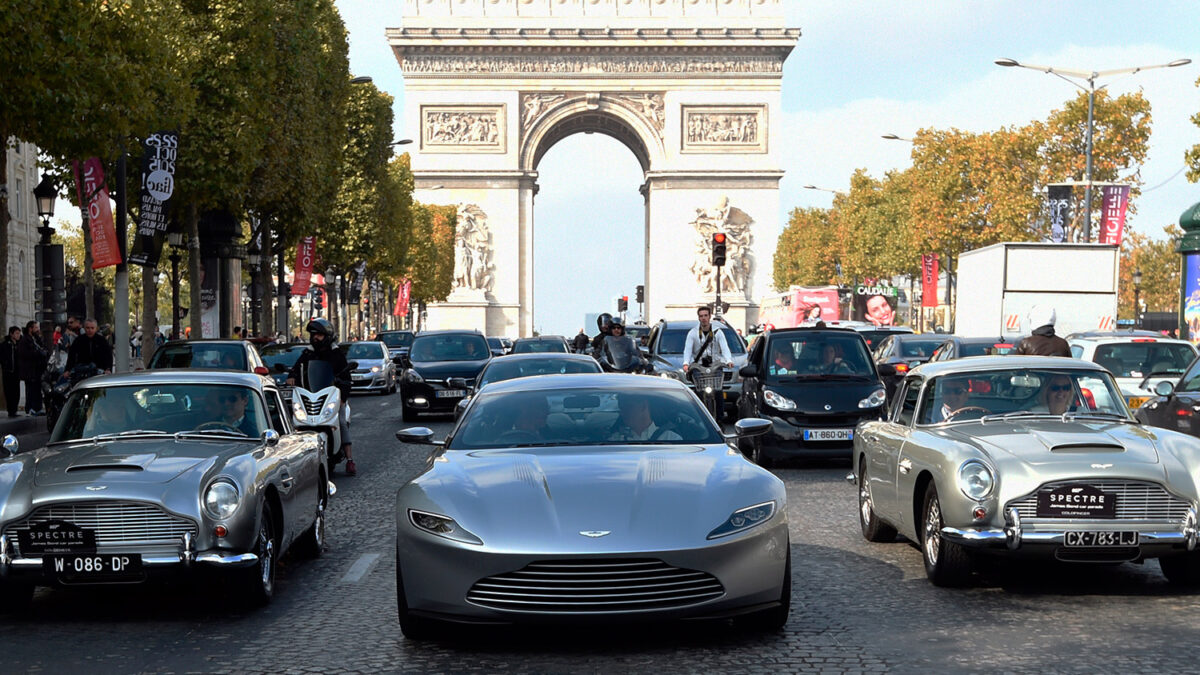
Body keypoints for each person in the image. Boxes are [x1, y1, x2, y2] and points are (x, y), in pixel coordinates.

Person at [287, 318, 357, 476]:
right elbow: (297, 368)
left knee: (341, 421)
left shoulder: (336, 353)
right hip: (311, 396)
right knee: (295, 422)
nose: (315, 338)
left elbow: (346, 377)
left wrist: (343, 398)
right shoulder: (308, 352)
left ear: (327, 336)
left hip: (332, 396)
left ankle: (350, 459)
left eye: (319, 335)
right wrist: (292, 376)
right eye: (313, 335)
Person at [609, 394, 681, 442]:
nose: (623, 413)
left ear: (644, 406)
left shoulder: (671, 439)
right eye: (621, 408)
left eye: (628, 407)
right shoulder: (615, 440)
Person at [682, 305, 733, 374]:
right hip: (698, 366)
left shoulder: (718, 332)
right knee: (698, 381)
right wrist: (686, 363)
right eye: (701, 316)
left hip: (715, 365)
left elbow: (724, 348)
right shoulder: (693, 333)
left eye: (706, 315)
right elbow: (688, 349)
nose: (703, 318)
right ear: (699, 318)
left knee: (718, 381)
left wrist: (728, 360)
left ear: (709, 316)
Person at [17, 321, 47, 416]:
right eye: (36, 328)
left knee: (37, 389)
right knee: (30, 390)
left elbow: (43, 348)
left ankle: (37, 407)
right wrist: (38, 353)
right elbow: (25, 354)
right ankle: (30, 408)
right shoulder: (25, 340)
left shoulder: (36, 339)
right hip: (30, 370)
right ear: (30, 328)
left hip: (37, 370)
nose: (38, 330)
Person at [0, 326, 21, 416]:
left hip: (17, 371)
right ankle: (11, 410)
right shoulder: (5, 345)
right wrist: (5, 363)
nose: (18, 335)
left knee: (16, 391)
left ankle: (14, 409)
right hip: (8, 371)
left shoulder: (19, 344)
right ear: (11, 334)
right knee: (9, 391)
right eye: (16, 333)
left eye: (19, 333)